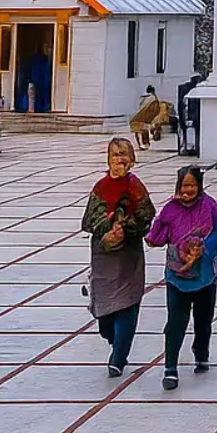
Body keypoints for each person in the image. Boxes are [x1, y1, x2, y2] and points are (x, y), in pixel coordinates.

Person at [146, 165, 217, 390]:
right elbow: (158, 232)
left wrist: (205, 247)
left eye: (191, 185)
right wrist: (152, 235)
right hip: (176, 275)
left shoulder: (209, 205)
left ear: (199, 186)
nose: (187, 190)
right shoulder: (171, 208)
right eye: (183, 186)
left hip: (204, 274)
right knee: (175, 323)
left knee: (203, 319)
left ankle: (201, 352)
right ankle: (170, 368)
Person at [82, 138, 154, 378]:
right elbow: (89, 221)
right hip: (104, 255)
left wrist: (127, 229)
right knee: (105, 313)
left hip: (128, 255)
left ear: (131, 160)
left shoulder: (136, 187)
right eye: (114, 154)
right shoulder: (100, 187)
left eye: (124, 154)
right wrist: (108, 228)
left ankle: (118, 358)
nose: (119, 159)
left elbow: (147, 215)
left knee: (127, 302)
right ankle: (113, 338)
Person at [129, 85, 172, 150]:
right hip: (146, 117)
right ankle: (145, 143)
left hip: (137, 117)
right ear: (153, 91)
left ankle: (141, 144)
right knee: (144, 130)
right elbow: (154, 108)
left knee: (138, 131)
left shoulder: (141, 97)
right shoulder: (153, 98)